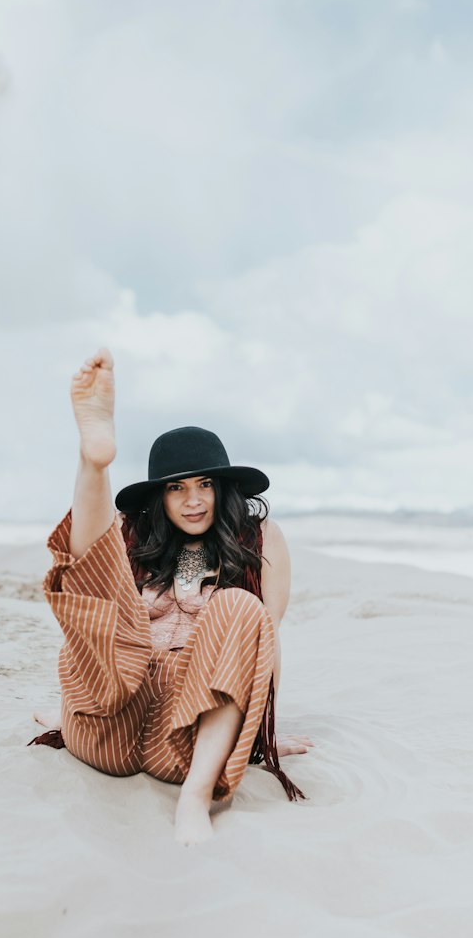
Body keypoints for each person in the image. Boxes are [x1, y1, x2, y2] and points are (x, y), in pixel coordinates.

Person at [30, 347, 312, 844]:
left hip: (182, 739)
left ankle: (194, 801)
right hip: (108, 724)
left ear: (224, 488)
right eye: (177, 488)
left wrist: (259, 735)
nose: (195, 499)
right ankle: (92, 464)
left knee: (242, 607)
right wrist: (65, 714)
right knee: (106, 589)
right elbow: (93, 611)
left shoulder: (260, 539)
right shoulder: (132, 536)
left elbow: (265, 644)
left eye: (205, 484)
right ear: (159, 496)